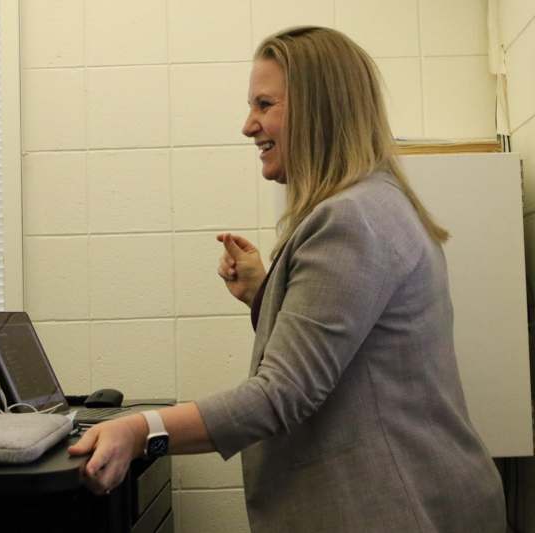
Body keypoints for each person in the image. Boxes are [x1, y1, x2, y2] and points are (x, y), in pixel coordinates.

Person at [68, 26, 505, 532]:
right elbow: (350, 353)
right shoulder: (373, 203)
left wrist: (142, 431)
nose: (247, 126)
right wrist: (264, 295)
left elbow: (282, 393)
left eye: (264, 104)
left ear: (319, 109)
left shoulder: (351, 218)